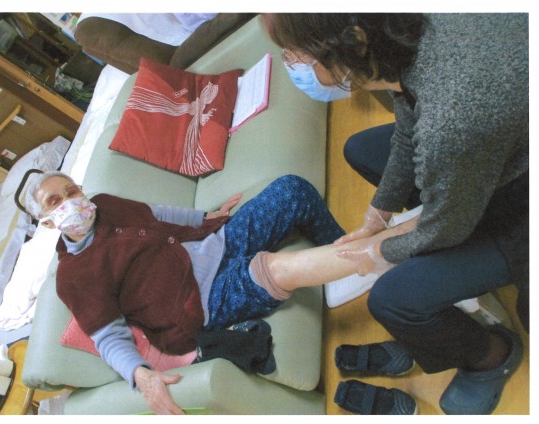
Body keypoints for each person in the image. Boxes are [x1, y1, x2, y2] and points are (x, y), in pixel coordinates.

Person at [263, 13, 528, 415]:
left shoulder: (451, 120)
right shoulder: (407, 41)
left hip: (521, 199)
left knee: (392, 299)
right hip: (499, 149)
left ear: (353, 41)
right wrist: (378, 214)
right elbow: (409, 121)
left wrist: (380, 251)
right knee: (361, 150)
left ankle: (492, 357)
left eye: (297, 54)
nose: (292, 65)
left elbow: (446, 228)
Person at [26, 171, 418, 414]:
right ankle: (387, 251)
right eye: (55, 201)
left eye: (72, 191)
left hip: (213, 243)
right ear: (47, 222)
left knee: (292, 189)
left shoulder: (104, 204)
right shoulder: (73, 276)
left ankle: (347, 262)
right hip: (201, 300)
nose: (71, 202)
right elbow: (108, 336)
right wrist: (141, 377)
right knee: (273, 269)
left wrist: (206, 218)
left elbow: (156, 213)